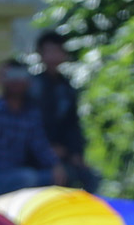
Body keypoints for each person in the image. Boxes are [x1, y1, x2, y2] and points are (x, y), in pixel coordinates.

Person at [33, 31, 94, 191]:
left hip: (64, 153)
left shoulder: (66, 86)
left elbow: (72, 123)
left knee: (90, 178)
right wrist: (48, 151)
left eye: (57, 51)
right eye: (49, 51)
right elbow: (31, 126)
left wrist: (76, 153)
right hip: (36, 156)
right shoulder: (32, 86)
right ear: (40, 54)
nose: (54, 56)